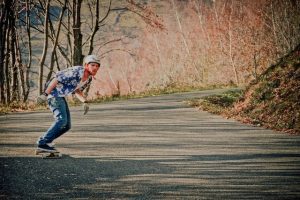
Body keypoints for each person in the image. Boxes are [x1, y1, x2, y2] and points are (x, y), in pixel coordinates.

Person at [36, 55, 101, 152]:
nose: (95, 68)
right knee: (61, 120)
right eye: (93, 65)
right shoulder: (77, 71)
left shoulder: (88, 79)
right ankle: (43, 143)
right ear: (86, 65)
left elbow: (77, 90)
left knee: (67, 126)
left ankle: (47, 141)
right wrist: (45, 94)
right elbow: (56, 78)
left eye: (97, 66)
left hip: (60, 96)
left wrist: (85, 101)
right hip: (54, 94)